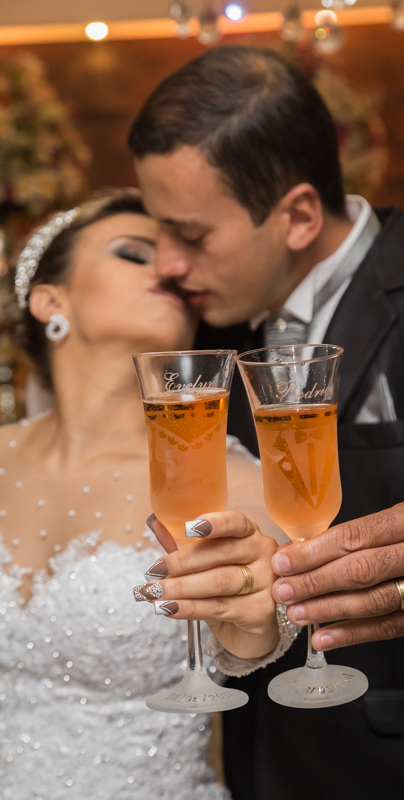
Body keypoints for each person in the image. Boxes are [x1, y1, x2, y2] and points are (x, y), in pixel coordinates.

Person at [128, 46, 404, 800]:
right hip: (250, 766)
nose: (167, 264)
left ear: (300, 215)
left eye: (189, 234)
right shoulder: (209, 328)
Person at [0, 188, 294, 800]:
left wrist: (257, 611)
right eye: (135, 253)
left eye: (174, 258)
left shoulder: (227, 477)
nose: (167, 267)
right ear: (51, 300)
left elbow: (256, 627)